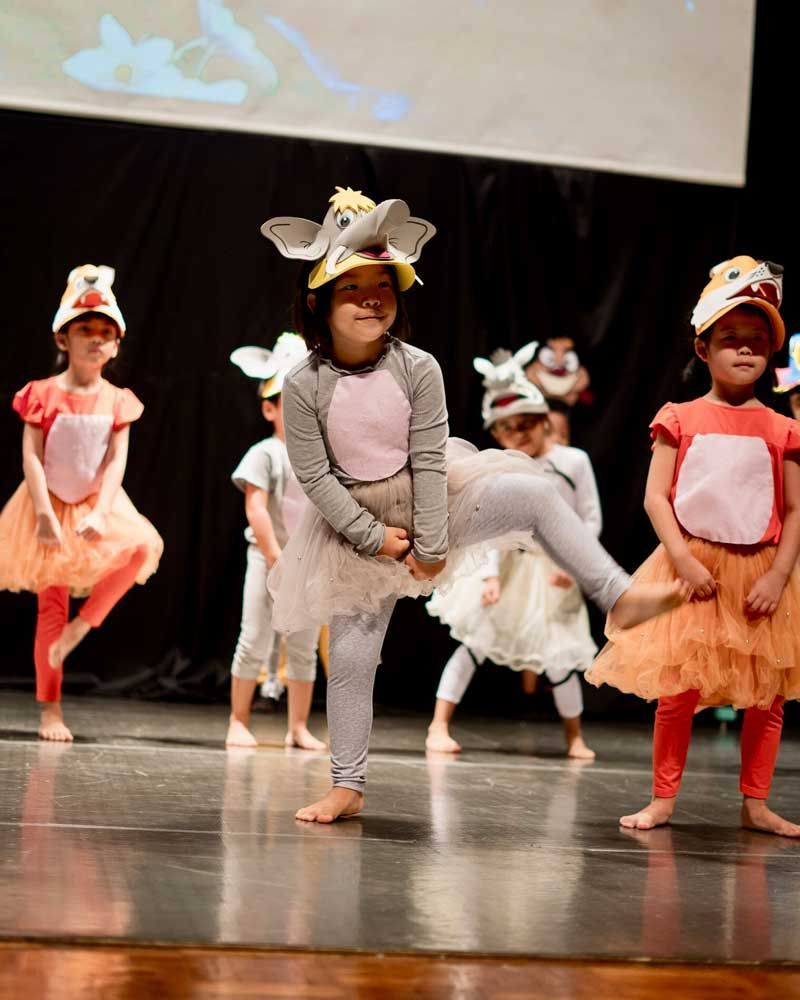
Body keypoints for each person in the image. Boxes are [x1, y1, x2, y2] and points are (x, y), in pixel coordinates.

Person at [262, 186, 684, 823]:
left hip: (431, 501)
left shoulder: (418, 368)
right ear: (318, 300)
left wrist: (431, 544)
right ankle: (347, 785)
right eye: (353, 286)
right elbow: (316, 477)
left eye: (383, 284)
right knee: (351, 656)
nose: (372, 297)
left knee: (537, 491)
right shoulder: (304, 383)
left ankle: (616, 594)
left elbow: (430, 460)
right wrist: (374, 536)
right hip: (353, 528)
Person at [587, 256, 800, 837]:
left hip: (759, 571)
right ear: (703, 349)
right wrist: (682, 560)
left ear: (771, 353)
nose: (744, 350)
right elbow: (657, 497)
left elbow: (793, 509)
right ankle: (662, 798)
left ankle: (755, 802)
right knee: (678, 690)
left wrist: (778, 575)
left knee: (767, 695)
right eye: (730, 338)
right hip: (691, 567)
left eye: (757, 341)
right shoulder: (679, 417)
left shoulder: (783, 428)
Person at [0, 265, 162, 741]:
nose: (95, 340)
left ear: (116, 345)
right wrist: (47, 518)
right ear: (63, 339)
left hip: (95, 503)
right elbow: (31, 457)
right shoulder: (42, 394)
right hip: (45, 504)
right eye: (85, 330)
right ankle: (50, 710)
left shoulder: (118, 401)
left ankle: (83, 626)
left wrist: (100, 510)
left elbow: (115, 463)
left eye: (105, 333)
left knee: (139, 550)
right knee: (50, 606)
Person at [426, 343, 600, 759]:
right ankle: (438, 725)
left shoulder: (573, 461)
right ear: (495, 433)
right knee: (474, 641)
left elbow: (589, 518)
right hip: (503, 565)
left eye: (526, 424)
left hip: (553, 569)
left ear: (545, 422)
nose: (518, 434)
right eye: (507, 429)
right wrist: (488, 576)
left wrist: (575, 566)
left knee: (558, 657)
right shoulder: (498, 464)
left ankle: (575, 736)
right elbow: (484, 523)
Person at [227, 333, 326, 751]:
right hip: (268, 560)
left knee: (303, 646)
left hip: (309, 565)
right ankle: (238, 719)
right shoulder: (266, 452)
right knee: (255, 640)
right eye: (290, 402)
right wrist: (274, 557)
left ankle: (298, 726)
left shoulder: (323, 458)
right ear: (270, 408)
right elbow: (256, 507)